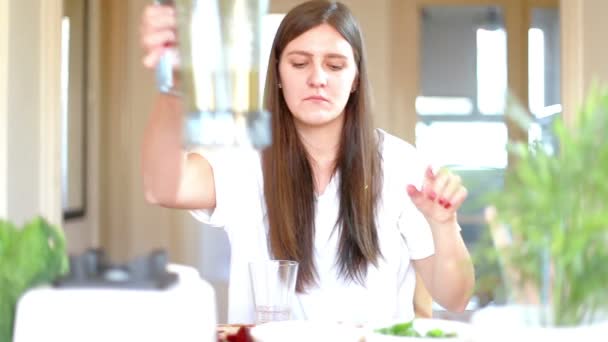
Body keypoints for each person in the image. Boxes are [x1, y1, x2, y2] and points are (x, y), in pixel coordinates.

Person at [140, 0, 475, 324]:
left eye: (335, 65)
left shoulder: (401, 163)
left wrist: (443, 224)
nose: (317, 78)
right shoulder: (244, 157)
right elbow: (163, 188)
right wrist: (175, 83)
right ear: (279, 74)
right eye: (300, 63)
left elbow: (455, 298)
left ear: (356, 77)